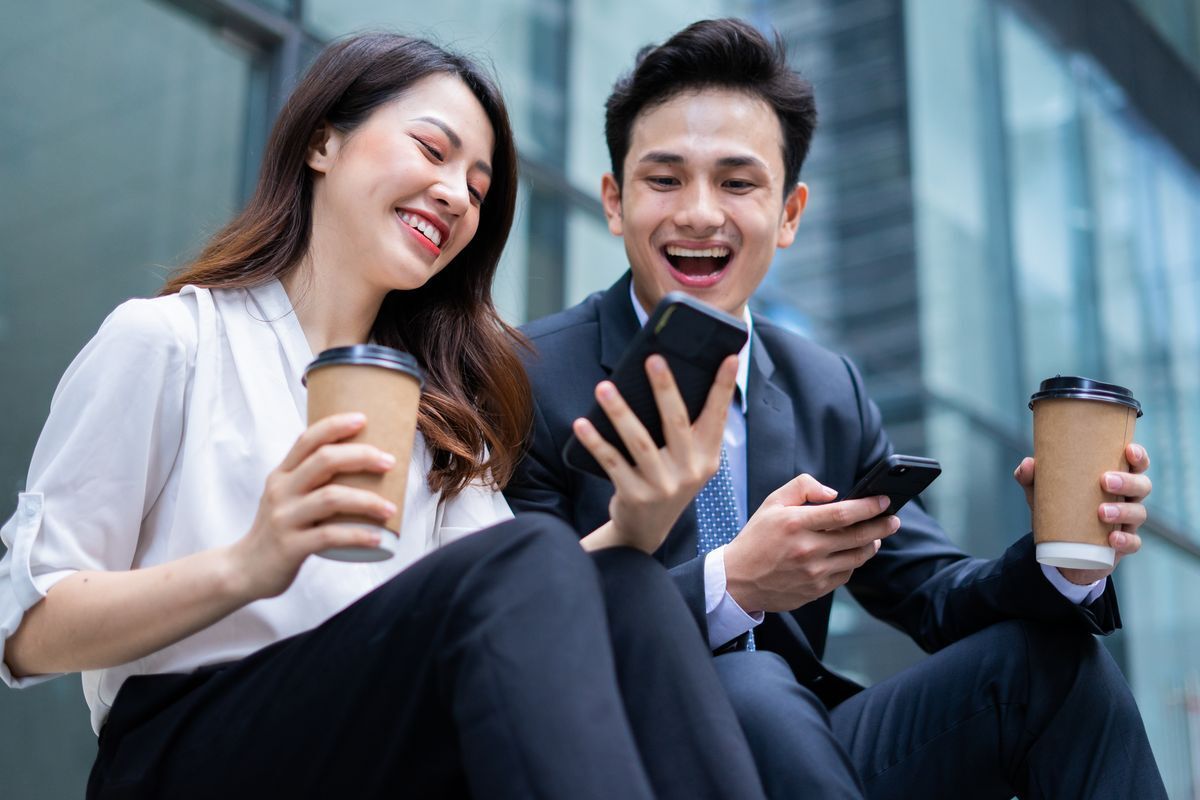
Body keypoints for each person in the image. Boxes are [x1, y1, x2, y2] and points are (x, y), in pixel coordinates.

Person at [0, 32, 767, 800]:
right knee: (534, 556)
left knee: (627, 587)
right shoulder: (172, 341)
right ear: (323, 142)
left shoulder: (433, 421)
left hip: (357, 744)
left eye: (477, 183)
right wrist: (248, 563)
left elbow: (538, 590)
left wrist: (638, 521)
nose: (458, 196)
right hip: (185, 749)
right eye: (433, 151)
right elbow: (25, 632)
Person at [504, 17, 1167, 799]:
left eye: (738, 183)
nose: (699, 213)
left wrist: (1065, 555)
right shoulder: (526, 376)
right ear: (614, 201)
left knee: (1055, 668)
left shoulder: (827, 389)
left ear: (789, 215)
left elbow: (940, 598)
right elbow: (521, 632)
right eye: (665, 179)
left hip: (804, 754)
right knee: (751, 687)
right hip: (619, 754)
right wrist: (732, 585)